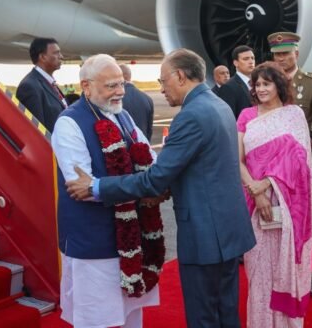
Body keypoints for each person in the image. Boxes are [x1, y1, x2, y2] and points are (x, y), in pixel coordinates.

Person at [66, 48, 256, 328]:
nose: (162, 89)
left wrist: (96, 187)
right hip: (227, 230)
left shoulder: (190, 115)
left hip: (205, 235)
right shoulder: (217, 104)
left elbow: (155, 178)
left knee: (204, 316)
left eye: (163, 81)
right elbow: (202, 167)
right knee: (226, 311)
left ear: (180, 76)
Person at [51, 54, 163, 328]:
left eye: (121, 84)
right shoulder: (69, 124)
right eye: (111, 86)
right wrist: (144, 185)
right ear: (86, 87)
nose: (120, 92)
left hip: (130, 237)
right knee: (96, 319)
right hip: (93, 240)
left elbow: (150, 158)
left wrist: (153, 180)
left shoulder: (122, 116)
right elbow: (82, 187)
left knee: (131, 314)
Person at [238, 62, 312, 327]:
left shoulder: (293, 115)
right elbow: (237, 160)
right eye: (257, 84)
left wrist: (268, 184)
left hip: (287, 203)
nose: (261, 89)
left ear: (279, 85)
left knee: (284, 268)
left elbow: (300, 160)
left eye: (266, 83)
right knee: (258, 270)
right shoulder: (247, 116)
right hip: (253, 203)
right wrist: (256, 191)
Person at [268, 31, 312, 296]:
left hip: (301, 164)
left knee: (306, 222)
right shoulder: (267, 82)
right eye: (277, 55)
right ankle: (281, 271)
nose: (281, 59)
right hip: (272, 165)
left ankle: (311, 273)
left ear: (296, 53)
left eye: (286, 53)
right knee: (276, 220)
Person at [16, 37, 67, 132]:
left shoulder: (50, 84)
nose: (61, 56)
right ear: (43, 57)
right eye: (56, 53)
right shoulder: (30, 87)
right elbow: (36, 131)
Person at [120, 64, 155, 141]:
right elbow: (149, 130)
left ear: (122, 76)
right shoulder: (147, 98)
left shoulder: (116, 98)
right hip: (143, 147)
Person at [219, 45, 256, 119]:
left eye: (252, 58)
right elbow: (228, 118)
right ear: (236, 63)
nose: (251, 62)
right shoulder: (228, 87)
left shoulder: (259, 82)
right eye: (246, 59)